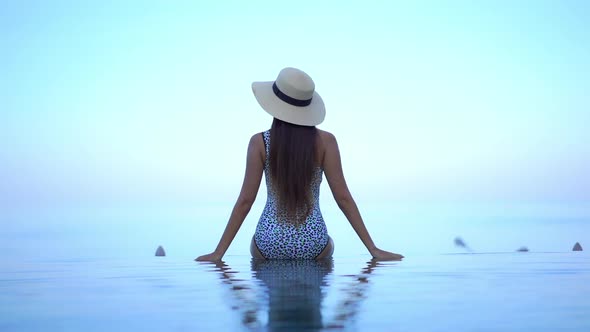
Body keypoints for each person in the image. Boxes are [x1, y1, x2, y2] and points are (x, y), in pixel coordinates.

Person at [196, 67, 403, 261]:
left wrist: (218, 253)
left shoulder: (259, 143)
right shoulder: (326, 142)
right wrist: (373, 249)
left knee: (256, 248)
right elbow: (343, 198)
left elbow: (245, 202)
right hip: (314, 245)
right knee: (329, 244)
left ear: (274, 104)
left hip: (268, 244)